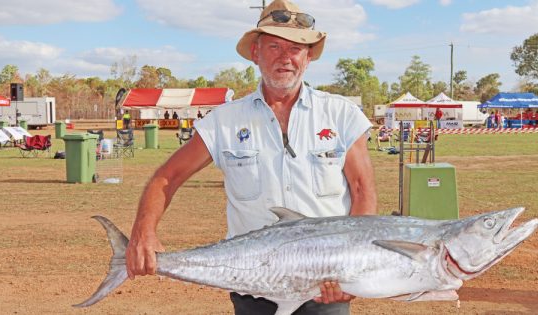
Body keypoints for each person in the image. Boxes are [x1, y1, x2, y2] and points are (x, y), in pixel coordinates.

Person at [125, 1, 377, 314]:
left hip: (324, 289)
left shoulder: (341, 115)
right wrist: (143, 232)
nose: (285, 57)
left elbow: (362, 190)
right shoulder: (224, 121)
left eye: (296, 48)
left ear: (308, 56)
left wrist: (352, 268)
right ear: (256, 53)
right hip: (253, 289)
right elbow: (168, 176)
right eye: (274, 46)